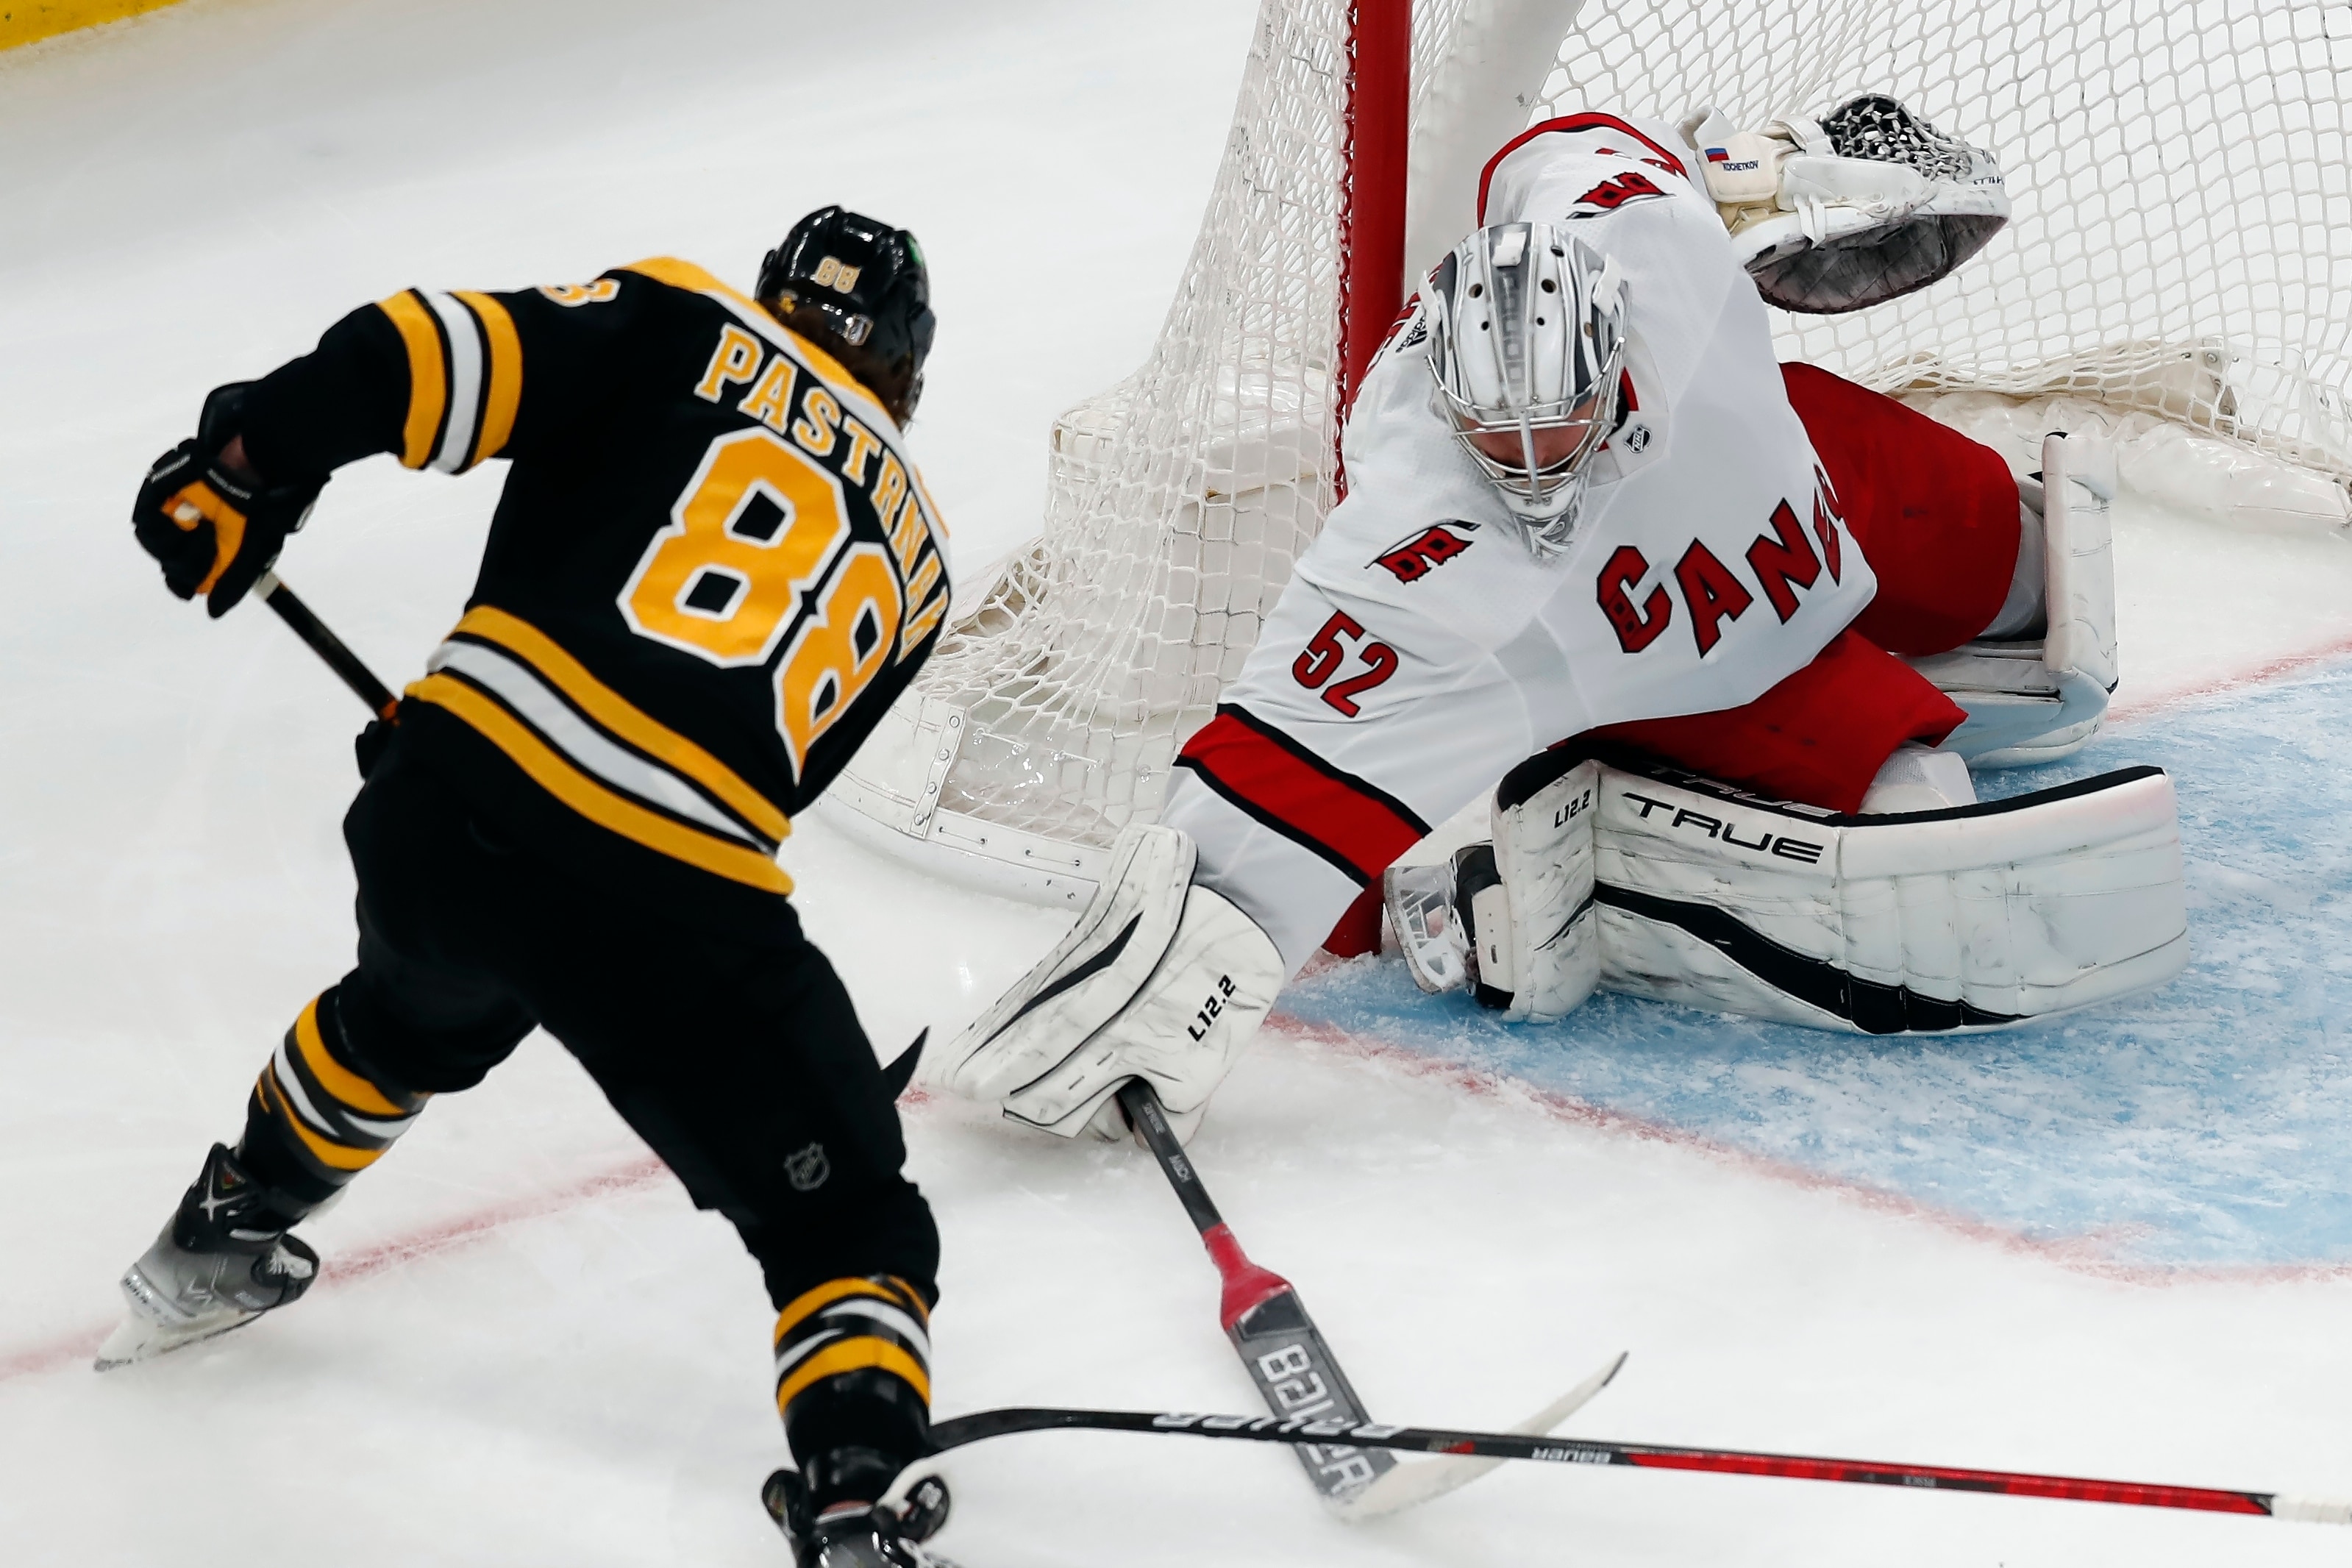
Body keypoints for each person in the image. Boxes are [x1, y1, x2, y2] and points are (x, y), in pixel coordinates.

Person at [922, 99, 2187, 1143]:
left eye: (1556, 428)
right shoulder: (1418, 531)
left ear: (1613, 355)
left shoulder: (1654, 246)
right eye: (1497, 438)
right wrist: (1170, 954)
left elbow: (1581, 144)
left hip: (1793, 478)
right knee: (1920, 806)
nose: (1528, 468)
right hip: (1696, 654)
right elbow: (1287, 752)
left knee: (2029, 560)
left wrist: (1778, 161)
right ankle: (1620, 857)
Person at [108, 206, 958, 1567]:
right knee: (845, 1216)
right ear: (908, 369)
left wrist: (247, 460)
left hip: (440, 815)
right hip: (662, 895)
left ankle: (224, 1227)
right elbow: (736, 771)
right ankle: (855, 1493)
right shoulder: (920, 560)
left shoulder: (683, 322)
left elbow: (414, 354)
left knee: (410, 1012)